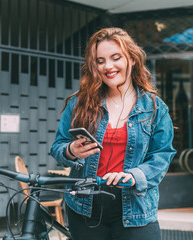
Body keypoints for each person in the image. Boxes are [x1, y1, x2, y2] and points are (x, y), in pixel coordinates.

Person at [50, 27, 176, 240]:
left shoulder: (155, 107)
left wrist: (133, 175)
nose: (108, 66)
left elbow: (162, 156)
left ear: (132, 59)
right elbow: (58, 147)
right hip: (84, 206)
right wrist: (71, 150)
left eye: (115, 58)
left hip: (135, 207)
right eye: (100, 61)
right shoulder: (79, 103)